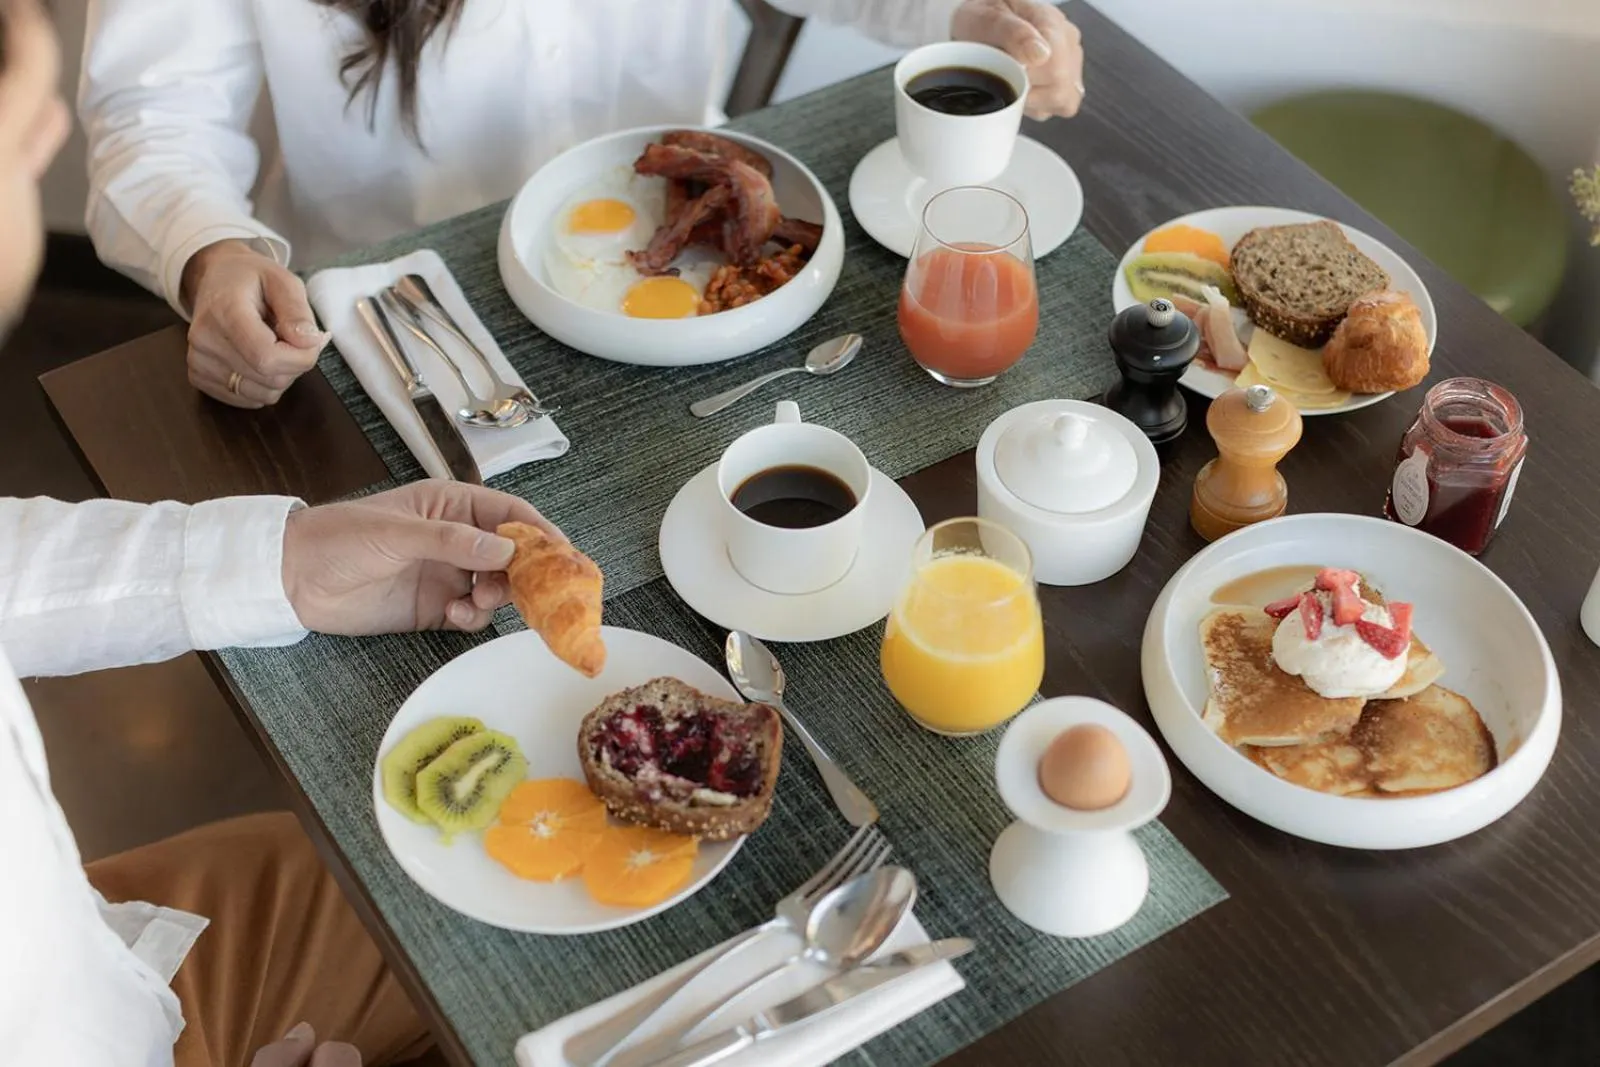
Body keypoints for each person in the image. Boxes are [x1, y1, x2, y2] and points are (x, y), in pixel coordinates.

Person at [1, 2, 565, 1062]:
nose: (44, 137)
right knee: (523, 944)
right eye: (19, 113)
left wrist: (286, 563)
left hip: (88, 953)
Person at [77, 0, 1087, 409]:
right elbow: (152, 108)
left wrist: (968, 14)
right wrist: (209, 250)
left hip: (701, 291)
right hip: (399, 322)